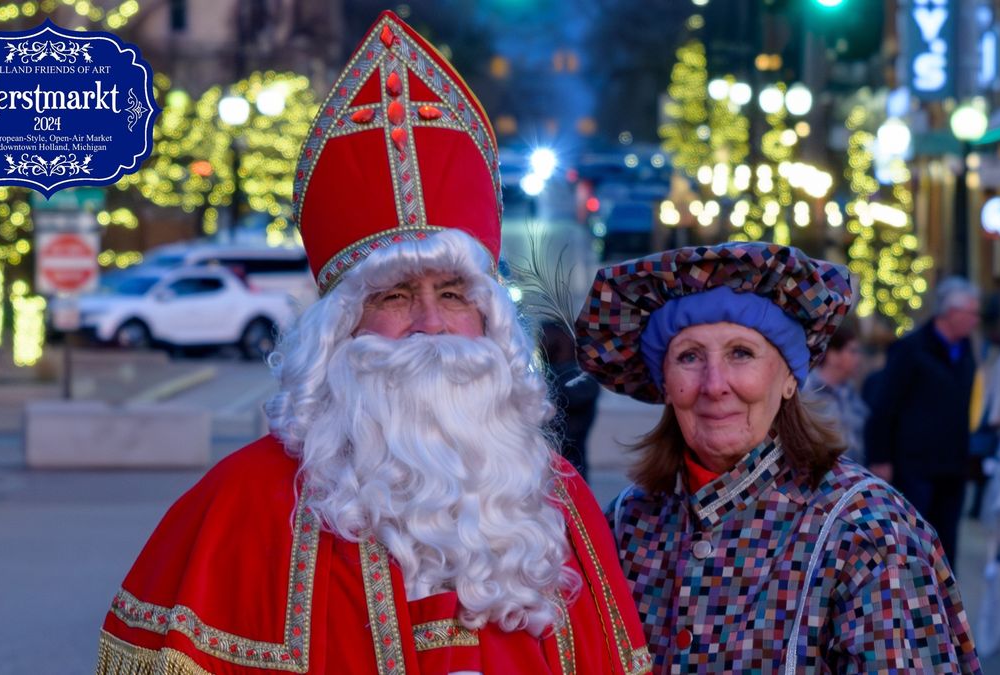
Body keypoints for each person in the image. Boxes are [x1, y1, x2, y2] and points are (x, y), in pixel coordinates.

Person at [95, 12, 649, 675]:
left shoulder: (562, 505)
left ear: (492, 321)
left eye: (453, 293)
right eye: (392, 296)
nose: (430, 323)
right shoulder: (237, 506)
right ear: (340, 331)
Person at [576, 242, 980, 672]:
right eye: (689, 356)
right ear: (665, 383)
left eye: (741, 353)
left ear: (789, 376)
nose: (714, 385)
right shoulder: (625, 526)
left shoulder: (869, 534)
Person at [866, 276, 980, 566]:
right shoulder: (911, 350)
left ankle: (944, 606)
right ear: (950, 313)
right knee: (914, 544)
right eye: (971, 313)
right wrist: (880, 457)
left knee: (946, 547)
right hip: (914, 467)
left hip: (952, 467)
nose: (975, 321)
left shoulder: (967, 353)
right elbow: (884, 406)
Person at [540, 321, 600, 480]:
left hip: (571, 471)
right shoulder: (545, 376)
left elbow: (567, 395)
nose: (542, 341)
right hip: (543, 470)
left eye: (546, 335)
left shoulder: (583, 380)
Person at [803, 324, 868, 464]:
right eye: (852, 351)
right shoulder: (806, 391)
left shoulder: (851, 393)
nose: (858, 359)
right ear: (832, 355)